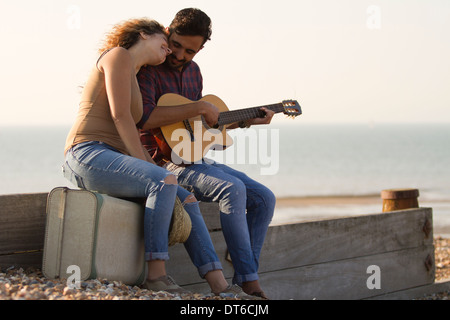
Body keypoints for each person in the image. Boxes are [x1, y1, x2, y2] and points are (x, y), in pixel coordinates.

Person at [63, 18, 243, 297]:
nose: (169, 51)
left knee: (187, 199)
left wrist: (151, 167)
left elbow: (134, 128)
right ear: (145, 34)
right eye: (165, 42)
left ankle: (221, 287)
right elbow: (120, 116)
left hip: (112, 158)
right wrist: (151, 169)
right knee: (164, 182)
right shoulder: (118, 56)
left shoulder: (135, 73)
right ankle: (157, 275)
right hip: (86, 153)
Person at [137, 8, 275, 299]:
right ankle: (250, 284)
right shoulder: (149, 67)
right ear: (168, 32)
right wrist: (198, 107)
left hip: (194, 158)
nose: (180, 54)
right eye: (176, 45)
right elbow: (145, 118)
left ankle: (242, 269)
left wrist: (248, 120)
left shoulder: (194, 73)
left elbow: (198, 130)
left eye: (190, 50)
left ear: (200, 49)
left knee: (264, 198)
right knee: (232, 188)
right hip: (162, 162)